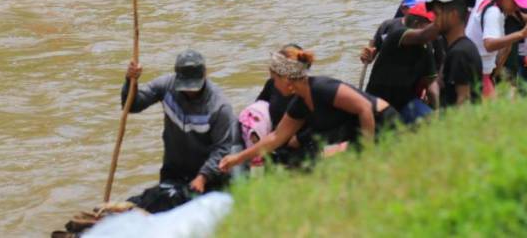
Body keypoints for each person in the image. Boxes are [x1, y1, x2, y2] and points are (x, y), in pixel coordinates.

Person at [218, 45, 398, 171]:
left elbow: (365, 108)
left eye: (275, 79)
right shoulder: (300, 103)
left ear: (286, 78)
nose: (273, 84)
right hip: (356, 134)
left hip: (383, 124)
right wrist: (238, 158)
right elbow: (276, 138)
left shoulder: (321, 87)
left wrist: (368, 153)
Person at [122, 50, 237, 212]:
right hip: (174, 171)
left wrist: (202, 177)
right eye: (186, 86)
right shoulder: (166, 86)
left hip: (207, 178)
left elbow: (222, 149)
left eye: (194, 86)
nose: (190, 91)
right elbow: (132, 105)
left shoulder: (219, 107)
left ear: (204, 75)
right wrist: (131, 81)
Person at [465, 0, 527, 98]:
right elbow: (489, 44)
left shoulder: (485, 0)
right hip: (477, 74)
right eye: (516, 2)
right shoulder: (494, 13)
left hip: (472, 68)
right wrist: (522, 33)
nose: (518, 7)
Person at [365, 3, 439, 123]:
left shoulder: (426, 46)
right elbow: (423, 35)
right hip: (379, 101)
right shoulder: (397, 35)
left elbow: (431, 82)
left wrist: (437, 109)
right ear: (417, 25)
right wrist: (446, 20)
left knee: (433, 122)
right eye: (431, 25)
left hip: (405, 102)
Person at [425, 0, 482, 106]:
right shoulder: (458, 48)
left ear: (453, 15)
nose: (433, 20)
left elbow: (464, 100)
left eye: (437, 14)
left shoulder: (460, 53)